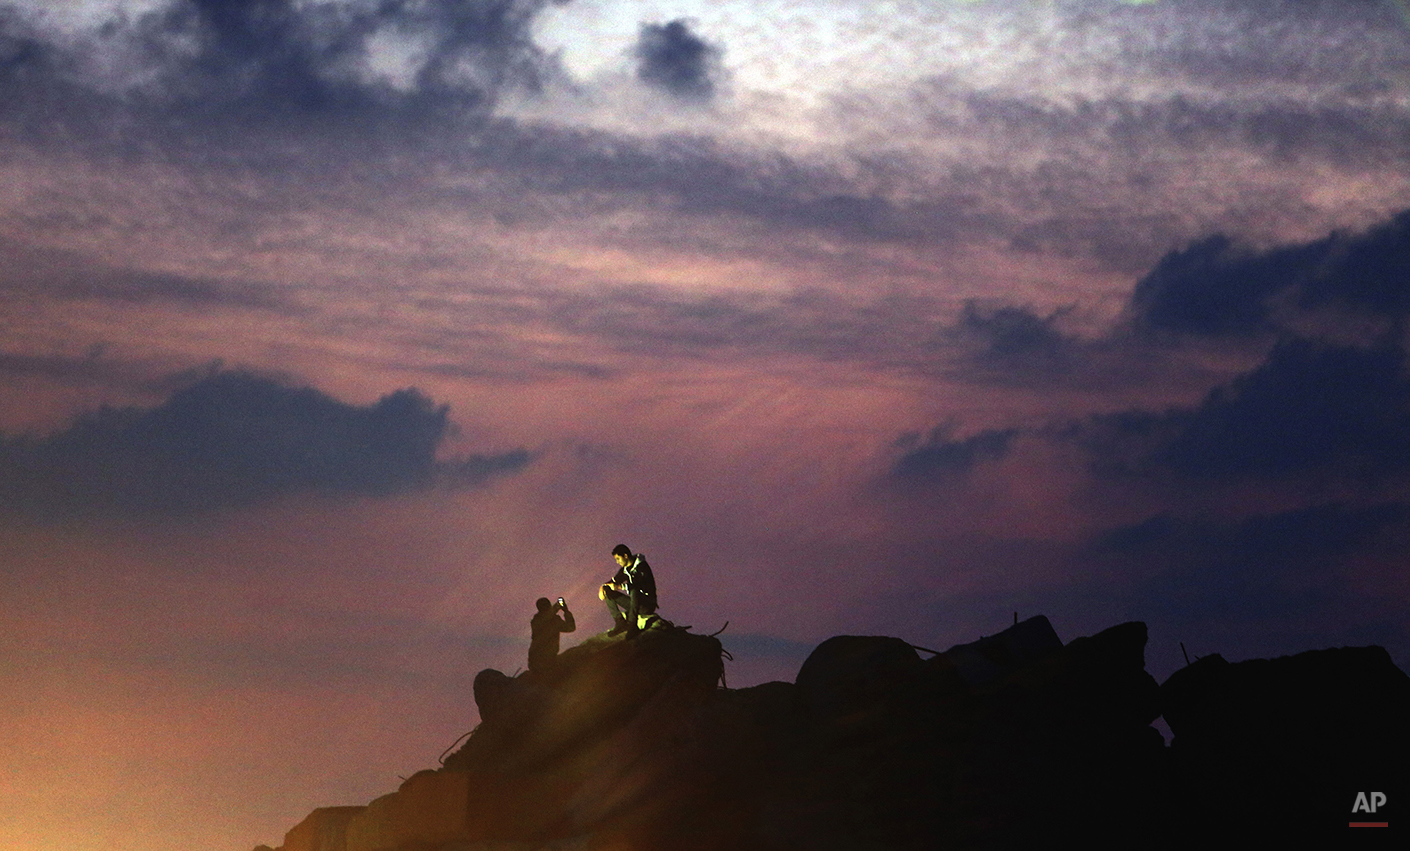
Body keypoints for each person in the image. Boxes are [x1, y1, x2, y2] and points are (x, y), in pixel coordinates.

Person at [599, 543, 656, 639]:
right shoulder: (624, 570)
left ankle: (632, 626)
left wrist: (621, 586)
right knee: (607, 590)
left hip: (647, 604)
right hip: (634, 604)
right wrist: (603, 587)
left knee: (634, 590)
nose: (617, 562)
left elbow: (640, 585)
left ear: (625, 556)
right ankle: (620, 623)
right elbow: (613, 581)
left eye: (618, 559)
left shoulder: (642, 567)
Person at [528, 596, 575, 674]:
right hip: (547, 662)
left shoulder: (535, 621)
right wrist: (565, 611)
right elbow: (571, 627)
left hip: (534, 662)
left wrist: (560, 609)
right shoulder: (553, 621)